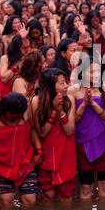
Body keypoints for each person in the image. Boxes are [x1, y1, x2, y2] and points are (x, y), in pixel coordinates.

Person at [30, 68, 76, 202]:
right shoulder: (36, 101)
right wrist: (54, 113)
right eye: (62, 83)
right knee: (48, 196)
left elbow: (69, 130)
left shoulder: (70, 99)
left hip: (66, 154)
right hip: (48, 153)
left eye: (66, 82)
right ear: (51, 85)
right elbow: (42, 132)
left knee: (66, 197)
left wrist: (60, 111)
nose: (66, 86)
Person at [68, 63, 105, 200]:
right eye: (91, 71)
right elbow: (72, 121)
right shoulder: (73, 91)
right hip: (83, 142)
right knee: (86, 186)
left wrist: (93, 104)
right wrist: (83, 104)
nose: (95, 75)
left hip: (104, 141)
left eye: (98, 71)